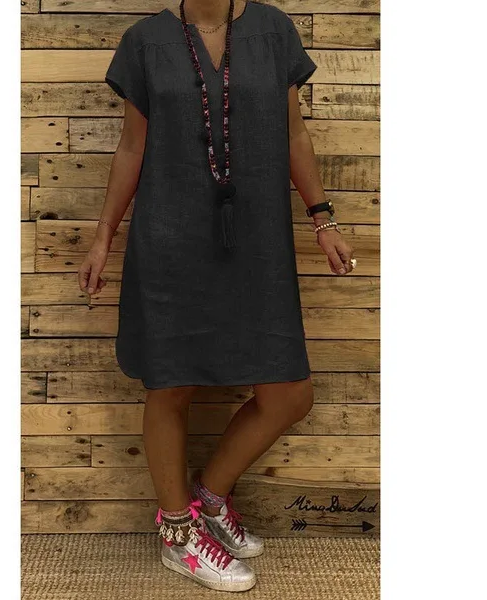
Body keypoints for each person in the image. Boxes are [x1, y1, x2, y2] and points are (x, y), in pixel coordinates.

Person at [78, 0, 355, 592]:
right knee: (170, 383)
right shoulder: (145, 41)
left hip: (257, 244)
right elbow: (132, 148)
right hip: (169, 243)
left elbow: (293, 132)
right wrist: (103, 237)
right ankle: (178, 535)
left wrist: (323, 218)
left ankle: (208, 496)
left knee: (289, 393)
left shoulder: (272, 31)